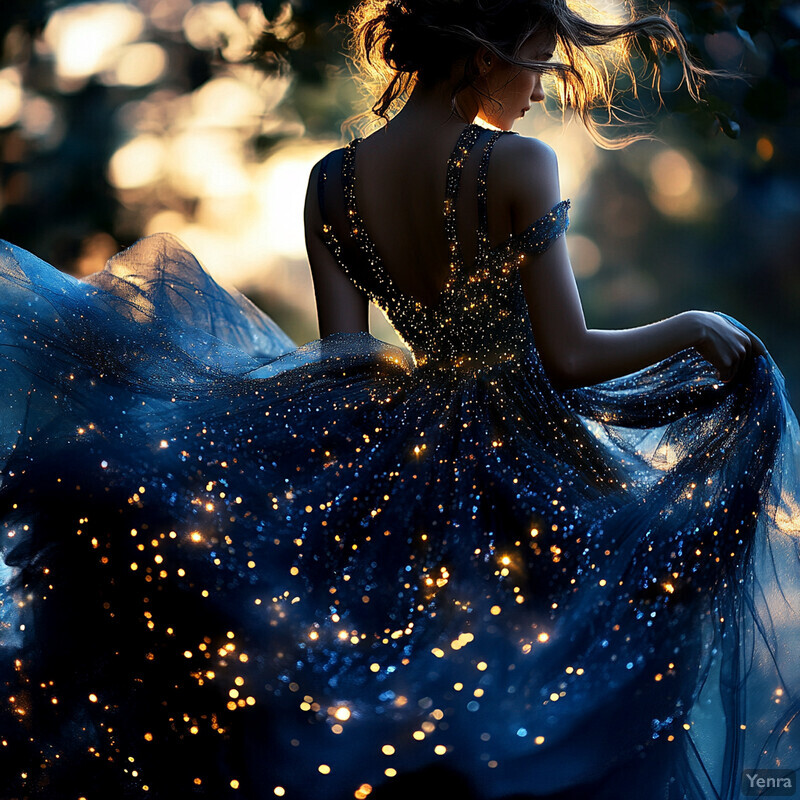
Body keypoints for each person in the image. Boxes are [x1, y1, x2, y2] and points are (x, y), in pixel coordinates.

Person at [0, 2, 798, 800]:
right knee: (544, 684)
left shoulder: (329, 183)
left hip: (396, 464)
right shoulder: (516, 165)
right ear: (486, 55)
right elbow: (570, 356)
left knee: (396, 687)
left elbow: (342, 359)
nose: (542, 90)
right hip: (523, 464)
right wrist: (693, 327)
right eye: (540, 63)